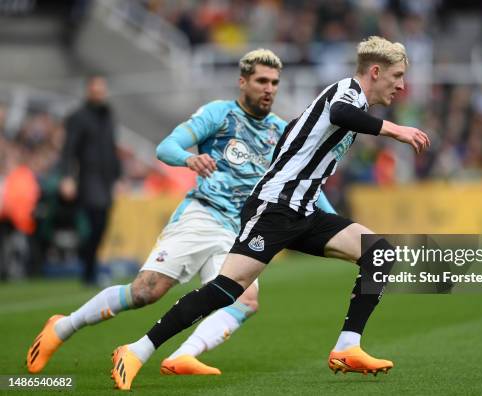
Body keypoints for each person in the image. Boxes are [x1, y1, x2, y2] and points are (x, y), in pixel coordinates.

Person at [111, 36, 430, 390]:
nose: (401, 85)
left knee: (380, 251)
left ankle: (347, 346)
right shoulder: (348, 91)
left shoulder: (351, 101)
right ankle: (136, 350)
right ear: (375, 72)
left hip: (303, 210)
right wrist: (395, 130)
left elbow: (298, 129)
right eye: (397, 75)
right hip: (274, 208)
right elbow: (340, 114)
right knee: (226, 289)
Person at [26, 49, 337, 376]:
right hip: (203, 215)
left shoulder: (282, 132)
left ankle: (184, 355)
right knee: (146, 291)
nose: (269, 88)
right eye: (261, 80)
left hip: (240, 231)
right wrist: (189, 159)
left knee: (245, 302)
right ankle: (62, 328)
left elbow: (307, 189)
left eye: (274, 82)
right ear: (242, 81)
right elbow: (166, 147)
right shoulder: (219, 114)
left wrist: (336, 224)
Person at [56, 75, 121, 286]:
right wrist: (67, 177)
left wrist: (118, 176)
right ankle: (89, 271)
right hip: (88, 177)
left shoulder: (108, 115)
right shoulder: (78, 117)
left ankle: (89, 268)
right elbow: (69, 150)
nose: (99, 93)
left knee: (102, 225)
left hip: (106, 179)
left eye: (102, 89)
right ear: (88, 91)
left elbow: (112, 148)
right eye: (96, 89)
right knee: (95, 222)